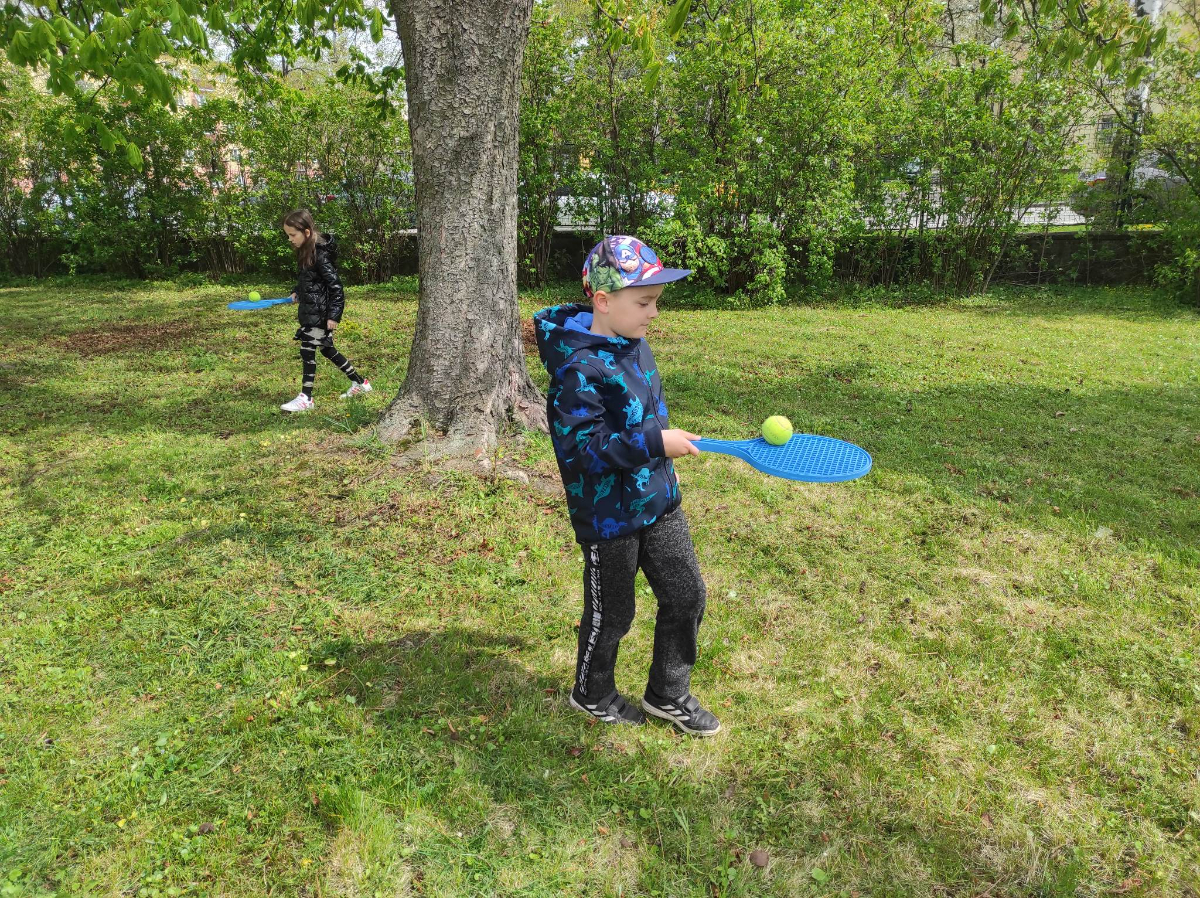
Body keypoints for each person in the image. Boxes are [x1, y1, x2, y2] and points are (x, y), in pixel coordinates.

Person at [533, 235, 721, 737]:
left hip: (659, 500)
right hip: (609, 517)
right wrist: (655, 442)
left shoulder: (636, 346)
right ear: (602, 300)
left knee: (687, 595)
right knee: (613, 613)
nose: (654, 313)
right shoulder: (577, 371)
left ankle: (668, 692)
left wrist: (660, 447)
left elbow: (645, 416)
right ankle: (592, 692)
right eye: (644, 302)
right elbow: (581, 451)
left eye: (656, 301)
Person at [279, 209, 372, 413]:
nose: (290, 239)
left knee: (307, 350)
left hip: (320, 314)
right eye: (288, 235)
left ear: (306, 232)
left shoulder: (320, 255)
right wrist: (296, 291)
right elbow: (309, 280)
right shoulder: (306, 252)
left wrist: (334, 315)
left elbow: (336, 287)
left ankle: (306, 398)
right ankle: (360, 383)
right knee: (327, 349)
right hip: (311, 311)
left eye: (292, 235)